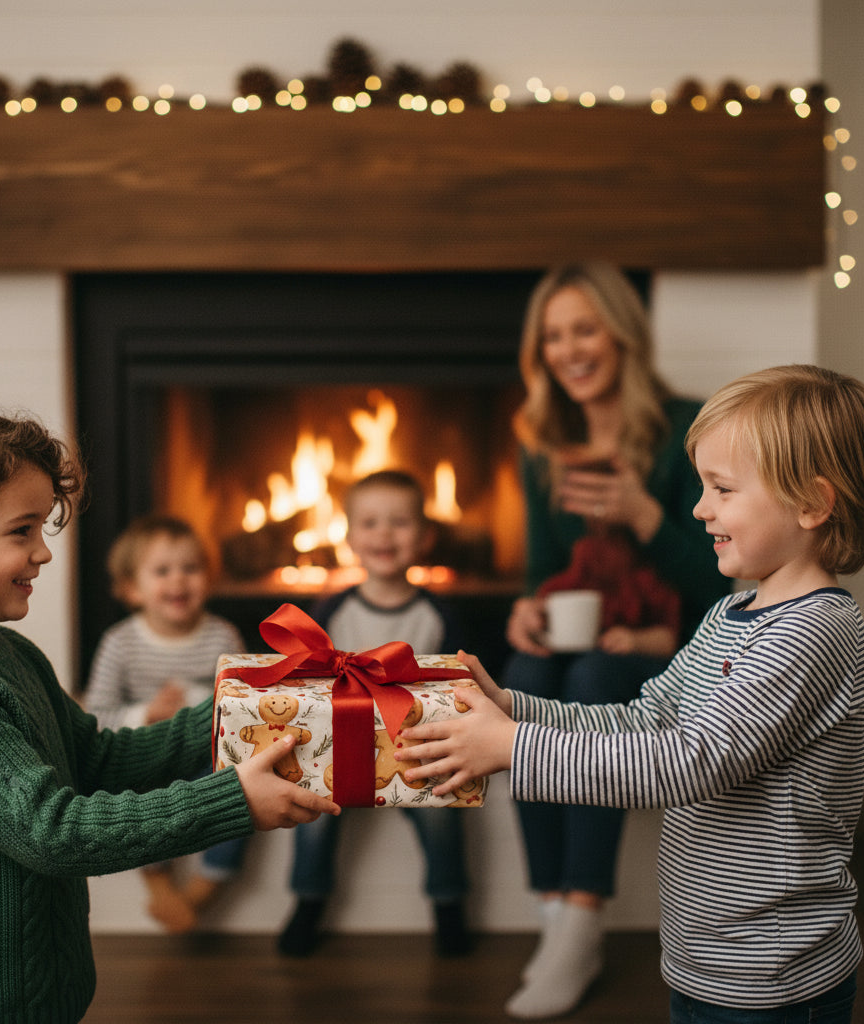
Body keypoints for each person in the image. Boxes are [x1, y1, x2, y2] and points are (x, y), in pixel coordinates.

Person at [399, 364, 864, 1023]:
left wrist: (514, 747)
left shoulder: (812, 632)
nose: (699, 508)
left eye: (723, 489)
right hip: (703, 960)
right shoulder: (732, 613)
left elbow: (687, 761)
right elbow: (645, 718)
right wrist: (517, 708)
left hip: (771, 974)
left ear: (812, 503)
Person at [0, 399, 339, 1024]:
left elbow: (99, 757)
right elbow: (52, 832)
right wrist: (231, 802)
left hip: (40, 990)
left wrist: (238, 710)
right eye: (20, 531)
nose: (44, 553)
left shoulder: (8, 650)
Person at [501, 262, 727, 1014]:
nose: (570, 350)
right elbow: (540, 573)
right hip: (583, 637)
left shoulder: (688, 431)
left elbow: (722, 581)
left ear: (622, 335)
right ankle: (553, 909)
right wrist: (528, 611)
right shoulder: (544, 446)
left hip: (671, 640)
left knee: (598, 678)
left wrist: (645, 516)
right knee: (523, 674)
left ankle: (584, 916)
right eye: (553, 336)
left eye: (584, 329)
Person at [277, 468, 472, 958]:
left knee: (443, 814)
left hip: (416, 744)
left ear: (425, 536)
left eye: (400, 522)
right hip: (342, 742)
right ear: (348, 536)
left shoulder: (438, 615)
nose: (385, 534)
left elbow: (451, 686)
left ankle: (449, 903)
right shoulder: (333, 609)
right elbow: (313, 681)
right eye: (370, 523)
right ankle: (309, 899)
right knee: (312, 813)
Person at [83, 513, 248, 934]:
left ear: (208, 579)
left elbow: (245, 705)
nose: (179, 581)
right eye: (162, 571)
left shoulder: (222, 637)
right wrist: (146, 715)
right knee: (140, 792)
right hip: (148, 752)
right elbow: (97, 713)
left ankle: (202, 889)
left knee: (241, 788)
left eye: (191, 569)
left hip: (205, 752)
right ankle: (158, 882)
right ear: (131, 588)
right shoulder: (120, 643)